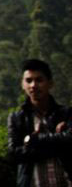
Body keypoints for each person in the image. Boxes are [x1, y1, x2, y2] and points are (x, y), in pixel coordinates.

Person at [8, 59, 72, 187]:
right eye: (29, 80)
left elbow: (70, 139)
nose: (33, 85)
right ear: (22, 84)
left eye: (39, 80)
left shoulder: (66, 113)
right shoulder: (17, 118)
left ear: (50, 83)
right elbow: (14, 154)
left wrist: (32, 140)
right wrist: (57, 140)